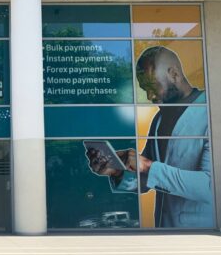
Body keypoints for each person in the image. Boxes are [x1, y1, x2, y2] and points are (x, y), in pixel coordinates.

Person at [86, 46, 212, 228]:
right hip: (164, 230)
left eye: (153, 87)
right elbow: (148, 180)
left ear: (174, 74)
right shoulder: (159, 119)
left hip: (203, 236)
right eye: (145, 89)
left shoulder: (212, 115)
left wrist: (146, 165)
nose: (149, 96)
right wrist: (117, 170)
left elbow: (210, 188)